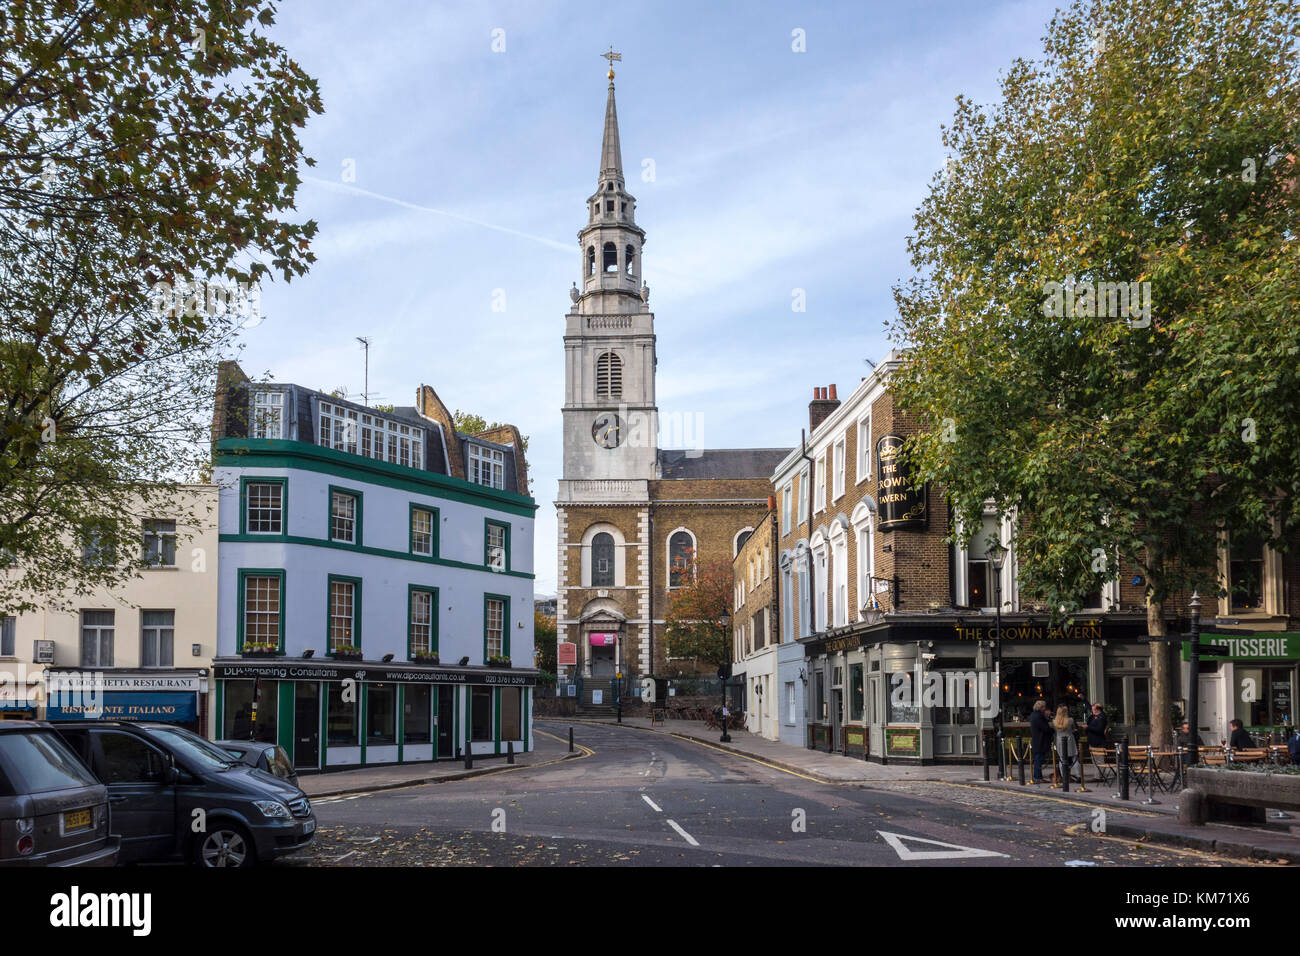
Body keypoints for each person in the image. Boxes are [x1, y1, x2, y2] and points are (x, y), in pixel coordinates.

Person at [1053, 705, 1081, 782]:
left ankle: (1063, 776)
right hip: (1070, 740)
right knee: (1074, 758)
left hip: (1059, 740)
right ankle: (1079, 776)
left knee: (1062, 759)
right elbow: (1074, 729)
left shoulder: (1054, 722)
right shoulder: (1070, 720)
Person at [1029, 699, 1052, 783]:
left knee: (1038, 759)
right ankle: (1037, 777)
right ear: (1041, 707)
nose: (1045, 708)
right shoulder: (1039, 716)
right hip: (1040, 740)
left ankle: (1038, 776)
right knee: (1039, 759)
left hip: (1037, 740)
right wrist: (1051, 729)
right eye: (1044, 707)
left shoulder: (1033, 715)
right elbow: (1045, 728)